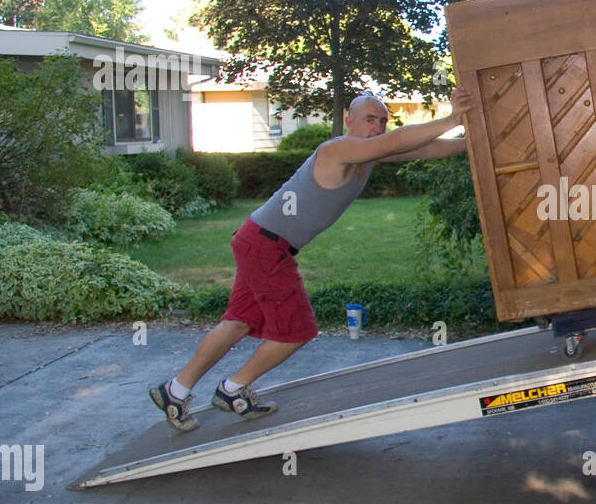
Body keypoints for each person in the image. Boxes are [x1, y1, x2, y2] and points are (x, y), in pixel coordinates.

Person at [150, 86, 476, 432]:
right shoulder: (337, 149)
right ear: (348, 120)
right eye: (369, 119)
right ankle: (231, 390)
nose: (377, 127)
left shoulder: (367, 155)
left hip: (258, 240)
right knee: (296, 331)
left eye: (382, 121)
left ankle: (175, 391)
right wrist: (452, 118)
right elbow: (396, 141)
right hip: (266, 246)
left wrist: (466, 143)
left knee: (237, 323)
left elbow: (421, 148)